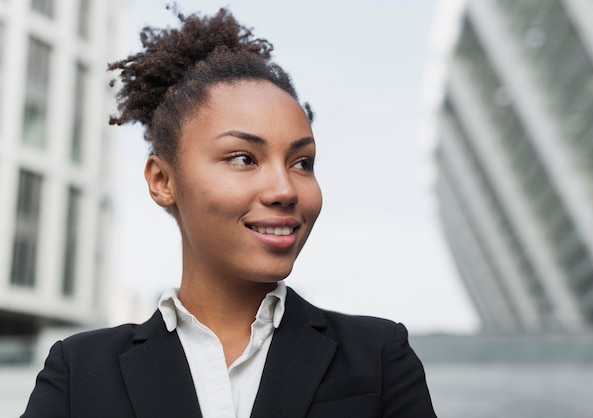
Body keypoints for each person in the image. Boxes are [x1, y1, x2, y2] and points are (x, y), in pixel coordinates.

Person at [21, 6, 436, 418]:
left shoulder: (379, 356)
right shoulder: (80, 371)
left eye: (302, 163)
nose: (284, 189)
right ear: (163, 181)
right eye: (242, 158)